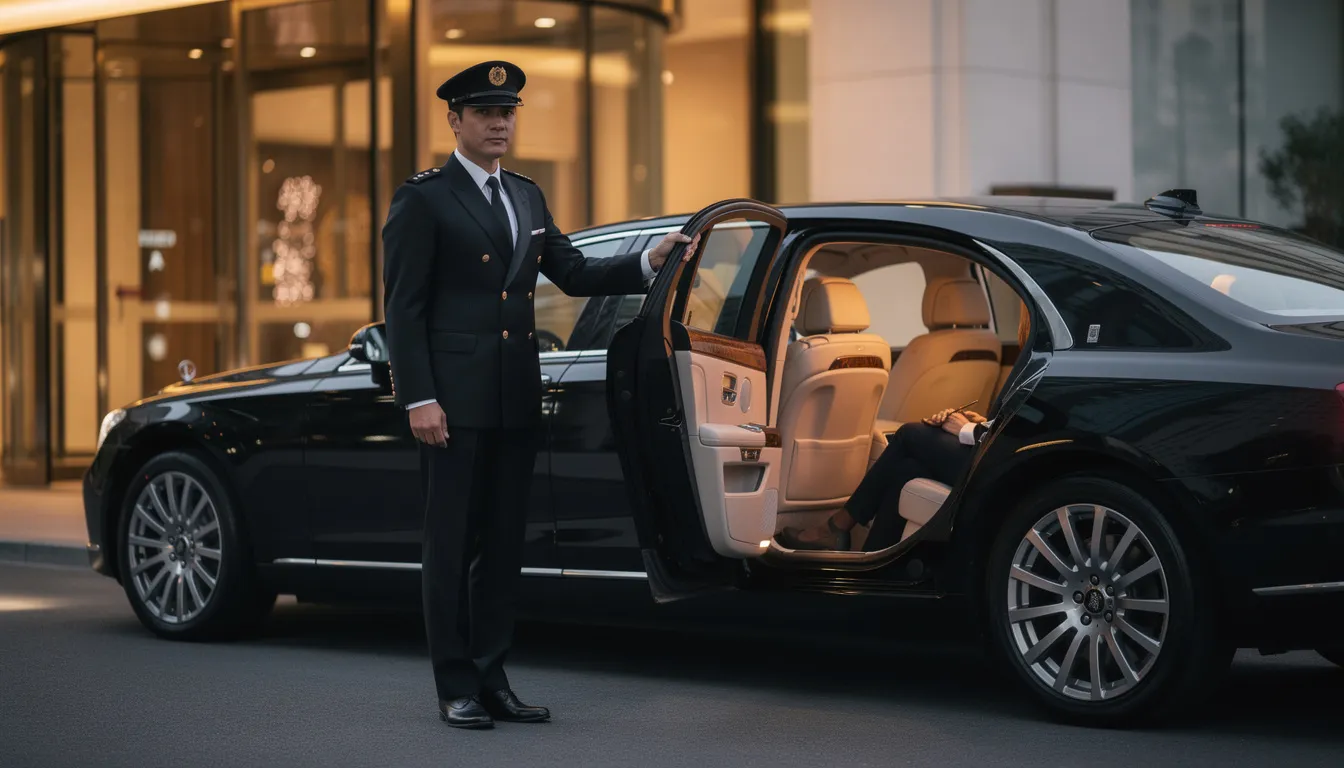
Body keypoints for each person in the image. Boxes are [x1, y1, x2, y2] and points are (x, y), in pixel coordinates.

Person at [381, 60, 697, 730]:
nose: (501, 123)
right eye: (486, 112)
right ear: (455, 120)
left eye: (509, 112)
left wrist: (650, 260)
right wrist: (419, 398)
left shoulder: (526, 195)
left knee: (500, 547)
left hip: (514, 400)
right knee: (450, 546)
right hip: (452, 406)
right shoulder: (424, 198)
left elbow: (573, 270)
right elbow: (404, 309)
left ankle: (492, 676)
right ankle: (454, 684)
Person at [775, 300, 1031, 553]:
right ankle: (872, 555)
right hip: (989, 449)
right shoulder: (1026, 355)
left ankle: (836, 526)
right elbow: (1017, 423)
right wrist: (981, 422)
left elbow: (1024, 434)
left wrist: (966, 430)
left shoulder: (1040, 360)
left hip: (996, 463)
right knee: (906, 469)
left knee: (909, 434)